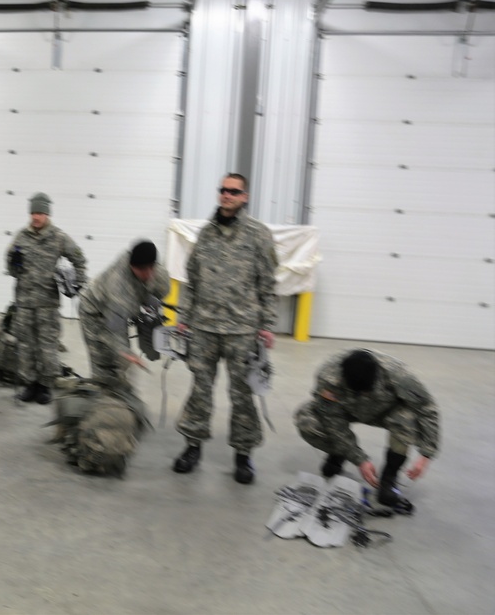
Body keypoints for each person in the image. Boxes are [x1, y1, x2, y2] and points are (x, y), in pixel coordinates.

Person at [172, 173, 277, 484]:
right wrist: (184, 317)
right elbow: (192, 280)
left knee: (242, 394)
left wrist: (267, 325)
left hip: (242, 329)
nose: (227, 195)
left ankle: (243, 456)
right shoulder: (206, 234)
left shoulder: (258, 235)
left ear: (244, 196)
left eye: (234, 191)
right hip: (204, 327)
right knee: (200, 390)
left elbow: (268, 284)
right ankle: (192, 447)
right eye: (223, 190)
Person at [294, 349, 439, 509]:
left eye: (366, 391)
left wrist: (426, 454)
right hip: (346, 410)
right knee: (307, 422)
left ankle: (388, 480)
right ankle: (339, 453)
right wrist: (359, 459)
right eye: (357, 391)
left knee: (407, 418)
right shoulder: (329, 377)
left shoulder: (398, 376)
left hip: (385, 411)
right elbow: (332, 420)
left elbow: (428, 410)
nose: (362, 394)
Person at [5, 192, 86, 404]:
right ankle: (30, 384)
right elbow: (11, 267)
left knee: (47, 347)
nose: (35, 217)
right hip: (24, 303)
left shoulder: (59, 238)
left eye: (39, 213)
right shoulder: (21, 236)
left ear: (47, 214)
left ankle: (45, 386)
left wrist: (77, 283)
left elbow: (79, 259)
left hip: (47, 305)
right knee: (25, 346)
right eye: (33, 212)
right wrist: (13, 262)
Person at [78, 240, 169, 392]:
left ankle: (118, 393)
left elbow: (161, 292)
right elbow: (116, 327)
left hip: (120, 310)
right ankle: (104, 397)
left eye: (149, 269)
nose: (146, 274)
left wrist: (149, 308)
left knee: (120, 362)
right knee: (105, 362)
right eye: (140, 270)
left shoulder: (159, 273)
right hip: (94, 312)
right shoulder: (118, 284)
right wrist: (126, 352)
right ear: (132, 266)